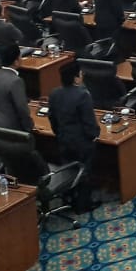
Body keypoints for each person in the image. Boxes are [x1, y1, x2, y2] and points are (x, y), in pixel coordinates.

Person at [48, 60, 100, 211]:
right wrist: (94, 136)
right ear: (76, 77)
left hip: (63, 139)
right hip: (81, 141)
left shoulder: (54, 93)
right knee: (84, 170)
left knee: (69, 168)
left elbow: (52, 118)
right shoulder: (83, 95)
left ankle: (68, 197)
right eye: (80, 73)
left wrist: (59, 133)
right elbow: (88, 122)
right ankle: (83, 204)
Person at [0, 45, 33, 132]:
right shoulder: (16, 81)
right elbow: (22, 110)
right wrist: (29, 127)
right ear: (16, 62)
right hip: (11, 128)